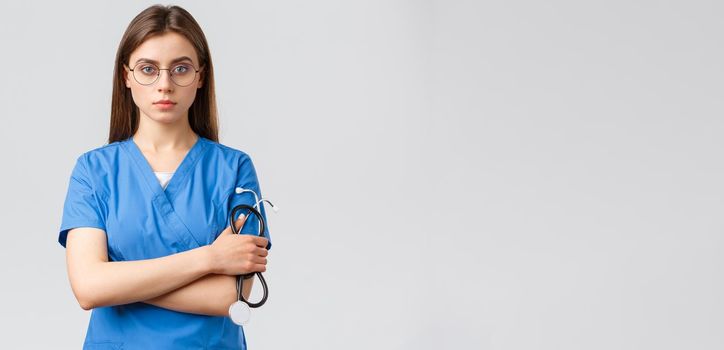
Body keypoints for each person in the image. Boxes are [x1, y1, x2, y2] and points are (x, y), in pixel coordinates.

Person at [58, 4, 272, 349]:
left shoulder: (234, 169)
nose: (165, 85)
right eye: (147, 69)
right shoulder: (94, 171)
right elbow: (88, 289)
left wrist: (119, 280)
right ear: (126, 76)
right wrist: (210, 258)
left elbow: (230, 295)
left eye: (181, 69)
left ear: (200, 76)